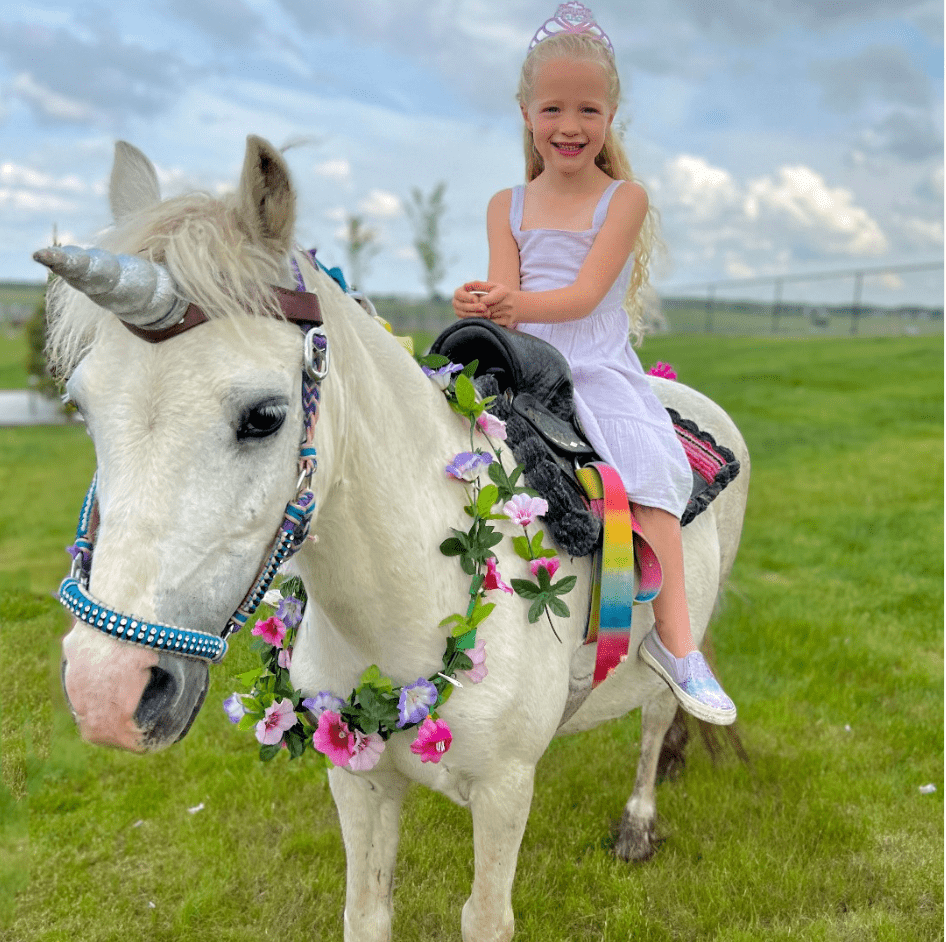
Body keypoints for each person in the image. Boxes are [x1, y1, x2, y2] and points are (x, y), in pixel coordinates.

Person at [452, 2, 736, 724]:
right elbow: (505, 286)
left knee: (647, 472)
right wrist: (483, 300)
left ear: (611, 115)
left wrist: (512, 305)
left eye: (587, 108)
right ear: (525, 112)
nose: (568, 125)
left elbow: (582, 295)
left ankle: (677, 645)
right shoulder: (506, 203)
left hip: (592, 362)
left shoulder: (624, 198)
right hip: (521, 355)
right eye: (552, 107)